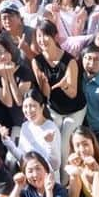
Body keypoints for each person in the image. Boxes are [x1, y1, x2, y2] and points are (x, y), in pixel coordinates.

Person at [32, 20, 86, 167]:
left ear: (55, 37)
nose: (41, 40)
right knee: (51, 141)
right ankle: (53, 178)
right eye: (38, 36)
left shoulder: (70, 61)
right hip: (54, 108)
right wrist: (44, 85)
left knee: (64, 145)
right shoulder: (37, 62)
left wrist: (64, 86)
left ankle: (65, 181)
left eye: (45, 35)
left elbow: (73, 94)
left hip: (74, 109)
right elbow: (45, 95)